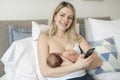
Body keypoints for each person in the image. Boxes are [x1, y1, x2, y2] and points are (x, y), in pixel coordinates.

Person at [37, 1, 102, 80]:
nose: (65, 20)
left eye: (70, 17)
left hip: (84, 78)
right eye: (62, 15)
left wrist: (83, 64)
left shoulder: (77, 37)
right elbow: (45, 72)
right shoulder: (44, 37)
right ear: (55, 16)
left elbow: (98, 62)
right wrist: (77, 66)